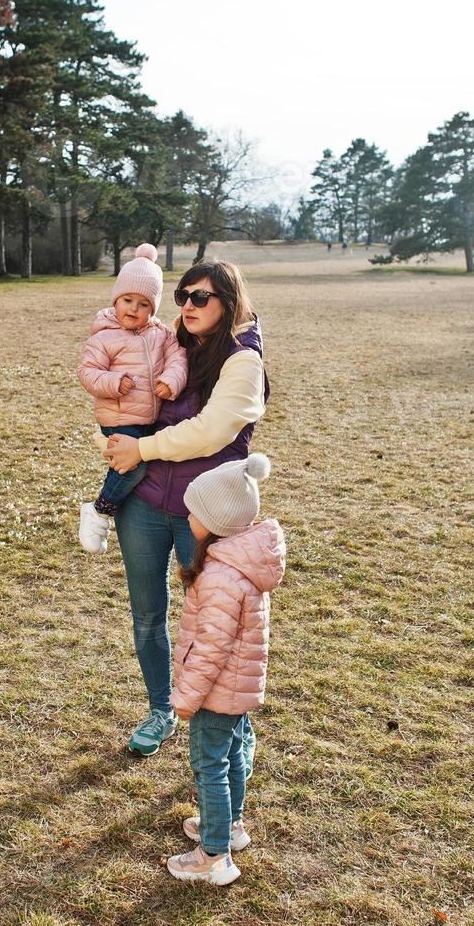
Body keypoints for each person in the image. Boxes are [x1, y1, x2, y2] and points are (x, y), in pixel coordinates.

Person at [102, 258, 269, 756]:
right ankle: (162, 709)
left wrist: (142, 449)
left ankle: (232, 728)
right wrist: (115, 437)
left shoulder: (243, 361)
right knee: (148, 614)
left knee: (212, 622)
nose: (189, 305)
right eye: (183, 295)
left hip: (206, 514)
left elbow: (212, 431)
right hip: (146, 503)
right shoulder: (169, 344)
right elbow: (126, 410)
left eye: (202, 297)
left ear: (229, 302)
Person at [165, 453, 284, 885]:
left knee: (209, 765)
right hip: (236, 689)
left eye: (194, 511)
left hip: (216, 691)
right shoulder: (242, 563)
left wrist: (185, 698)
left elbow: (211, 649)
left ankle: (213, 855)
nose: (187, 517)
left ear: (213, 521)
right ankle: (229, 827)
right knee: (232, 755)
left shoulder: (219, 577)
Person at [76, 244, 188, 554]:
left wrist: (171, 380)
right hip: (119, 416)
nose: (134, 309)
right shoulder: (103, 336)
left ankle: (125, 511)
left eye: (143, 304)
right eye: (127, 300)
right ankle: (99, 509)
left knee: (151, 465)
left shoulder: (161, 334)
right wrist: (114, 382)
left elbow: (178, 358)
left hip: (151, 416)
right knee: (133, 467)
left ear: (153, 308)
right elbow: (87, 373)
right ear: (116, 300)